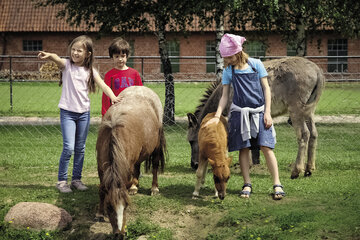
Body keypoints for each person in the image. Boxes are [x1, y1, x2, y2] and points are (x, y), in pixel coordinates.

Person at [205, 33, 285, 200]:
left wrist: (267, 112)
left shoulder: (256, 65)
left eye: (229, 57)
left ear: (238, 52)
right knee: (244, 148)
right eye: (225, 58)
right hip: (239, 114)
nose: (227, 61)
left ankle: (277, 183)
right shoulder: (229, 71)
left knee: (266, 147)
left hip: (259, 112)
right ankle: (247, 183)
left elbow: (266, 89)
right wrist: (217, 116)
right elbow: (225, 96)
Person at [38, 35, 122, 193]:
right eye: (73, 50)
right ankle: (62, 181)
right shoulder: (67, 65)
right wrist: (50, 56)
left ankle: (76, 179)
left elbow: (103, 85)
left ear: (88, 54)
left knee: (80, 148)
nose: (75, 53)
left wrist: (113, 97)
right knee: (69, 147)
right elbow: (57, 59)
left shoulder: (90, 70)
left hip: (84, 114)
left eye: (79, 50)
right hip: (67, 113)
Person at [101, 37, 143, 116]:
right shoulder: (109, 75)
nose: (120, 59)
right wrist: (105, 114)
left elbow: (140, 93)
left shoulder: (134, 74)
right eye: (117, 56)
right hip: (116, 111)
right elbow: (106, 97)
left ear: (127, 56)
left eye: (122, 56)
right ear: (112, 57)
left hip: (132, 110)